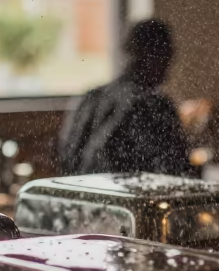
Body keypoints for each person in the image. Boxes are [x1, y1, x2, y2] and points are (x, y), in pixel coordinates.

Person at [59, 18, 190, 176]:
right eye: (168, 54)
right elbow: (176, 173)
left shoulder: (91, 98)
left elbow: (68, 161)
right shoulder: (154, 105)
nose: (170, 64)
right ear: (153, 56)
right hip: (131, 199)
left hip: (82, 198)